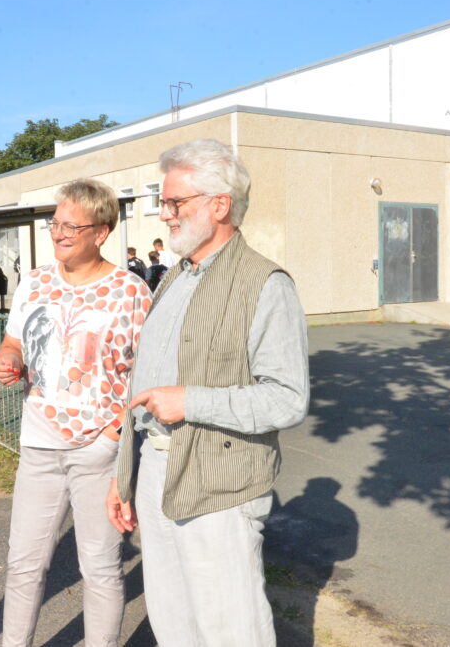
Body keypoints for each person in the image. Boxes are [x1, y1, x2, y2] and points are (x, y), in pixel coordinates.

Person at [106, 139, 310, 647]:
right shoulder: (175, 276)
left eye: (176, 203)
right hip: (155, 473)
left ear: (219, 205)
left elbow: (287, 398)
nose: (164, 215)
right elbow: (144, 383)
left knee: (229, 630)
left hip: (219, 487)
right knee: (172, 623)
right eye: (165, 202)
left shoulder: (266, 284)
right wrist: (124, 475)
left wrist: (190, 401)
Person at [0, 178, 152, 647]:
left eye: (70, 225)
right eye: (55, 223)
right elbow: (14, 341)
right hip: (38, 445)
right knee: (24, 564)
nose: (58, 233)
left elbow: (147, 374)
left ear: (101, 232)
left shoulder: (131, 292)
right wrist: (9, 359)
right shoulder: (36, 282)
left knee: (100, 568)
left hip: (98, 452)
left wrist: (112, 435)